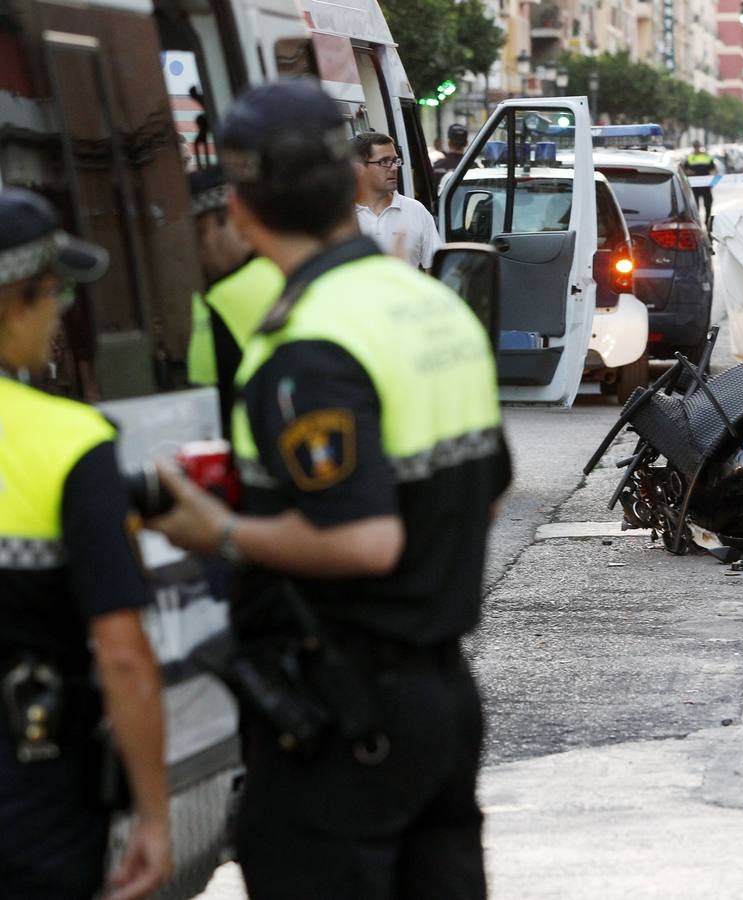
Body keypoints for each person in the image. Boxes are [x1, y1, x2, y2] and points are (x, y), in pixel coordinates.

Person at [148, 79, 510, 898]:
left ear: (239, 207)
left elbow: (363, 539)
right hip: (441, 702)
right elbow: (487, 492)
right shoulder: (429, 306)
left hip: (342, 715)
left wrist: (220, 533)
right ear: (351, 186)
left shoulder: (308, 345)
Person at [0, 188, 170, 899]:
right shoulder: (70, 441)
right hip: (32, 791)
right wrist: (155, 817)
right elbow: (124, 655)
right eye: (58, 293)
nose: (63, 311)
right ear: (15, 298)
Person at [185, 167, 285, 431]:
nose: (200, 251)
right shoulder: (287, 273)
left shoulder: (221, 298)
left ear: (234, 221)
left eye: (201, 233)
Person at [352, 132, 440, 270]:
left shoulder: (416, 211)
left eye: (395, 161)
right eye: (384, 161)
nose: (394, 168)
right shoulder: (339, 219)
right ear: (358, 168)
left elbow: (436, 270)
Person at [684, 141, 718, 220]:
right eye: (695, 146)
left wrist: (713, 179)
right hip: (694, 185)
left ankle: (707, 222)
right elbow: (684, 170)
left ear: (700, 146)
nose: (696, 148)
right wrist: (688, 172)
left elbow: (713, 169)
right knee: (695, 206)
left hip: (706, 184)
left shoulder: (706, 156)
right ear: (693, 147)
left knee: (708, 204)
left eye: (697, 146)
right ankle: (697, 222)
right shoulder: (690, 157)